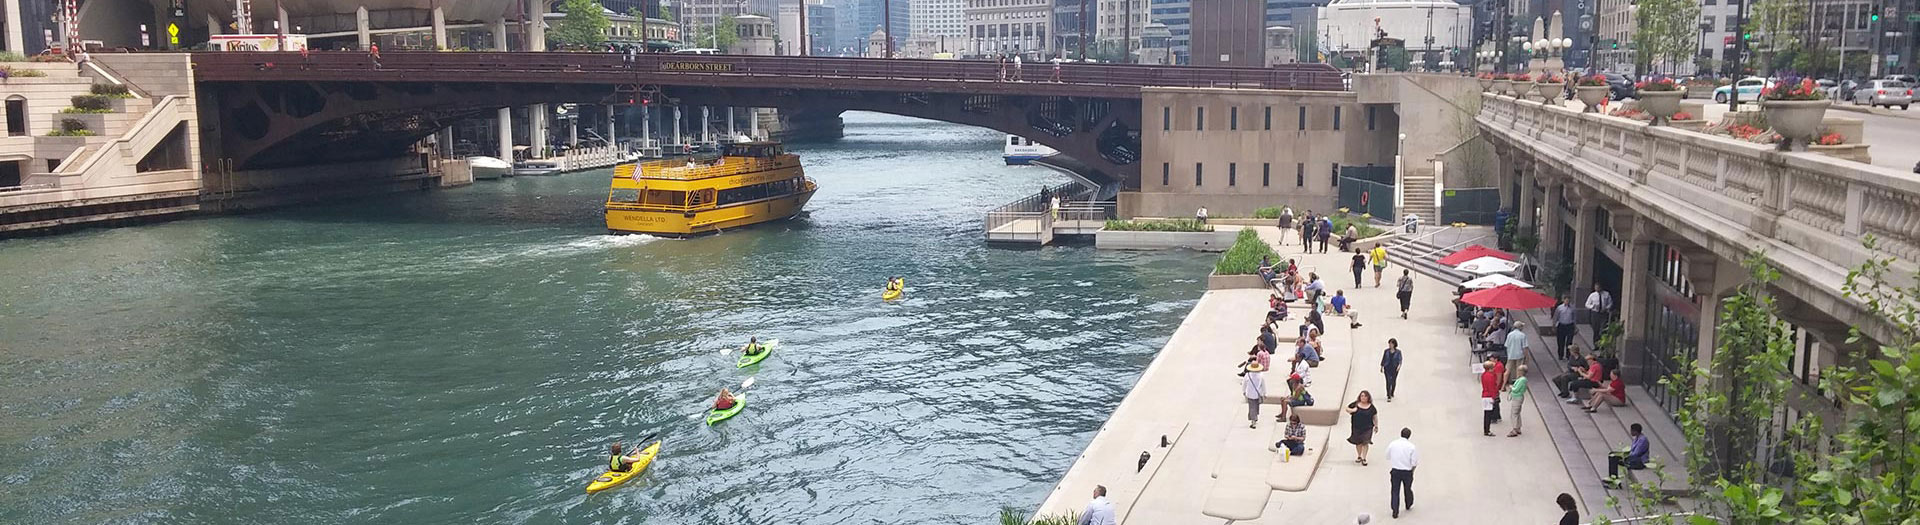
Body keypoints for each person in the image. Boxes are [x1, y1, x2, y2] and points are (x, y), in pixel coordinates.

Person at [1385, 427, 1418, 518]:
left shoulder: (1393, 444)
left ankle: (1395, 510)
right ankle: (1408, 503)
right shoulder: (1412, 447)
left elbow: (1387, 455)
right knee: (1407, 488)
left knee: (1395, 490)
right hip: (1407, 471)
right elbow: (1414, 462)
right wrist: (1412, 471)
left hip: (1395, 470)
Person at [1345, 391, 1377, 465]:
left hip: (1368, 428)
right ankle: (1359, 456)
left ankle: (1364, 458)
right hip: (1356, 427)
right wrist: (1352, 410)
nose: (1363, 397)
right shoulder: (1355, 404)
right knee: (1358, 442)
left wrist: (1376, 426)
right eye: (1362, 396)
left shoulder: (1371, 407)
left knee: (1365, 442)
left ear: (1368, 398)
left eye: (1365, 396)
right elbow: (1347, 408)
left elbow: (1375, 416)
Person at [1481, 358, 1502, 436]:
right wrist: (1494, 397)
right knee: (1489, 414)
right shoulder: (1491, 376)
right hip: (1489, 396)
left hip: (1484, 395)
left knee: (1486, 413)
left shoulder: (1484, 375)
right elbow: (1492, 387)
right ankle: (1487, 430)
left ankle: (1486, 429)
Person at [1507, 364, 1530, 437]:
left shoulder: (1522, 380)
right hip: (1518, 397)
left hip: (1517, 397)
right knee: (1517, 413)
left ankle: (1515, 429)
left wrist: (1511, 388)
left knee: (1514, 413)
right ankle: (1518, 427)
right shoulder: (1522, 379)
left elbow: (1516, 389)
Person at [1242, 362, 1267, 429]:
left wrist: (1244, 391)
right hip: (1258, 394)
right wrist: (1264, 393)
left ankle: (1253, 421)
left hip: (1250, 394)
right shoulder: (1261, 375)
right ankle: (1255, 417)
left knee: (1251, 407)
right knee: (1256, 406)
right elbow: (1263, 385)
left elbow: (1244, 384)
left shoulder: (1247, 375)